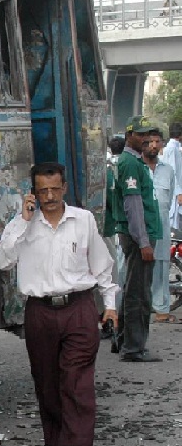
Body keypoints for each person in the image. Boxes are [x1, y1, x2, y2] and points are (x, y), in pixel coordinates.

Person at [0, 162, 118, 446]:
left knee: (75, 378)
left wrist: (111, 305)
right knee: (46, 377)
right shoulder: (22, 224)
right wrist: (22, 221)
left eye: (54, 189)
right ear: (33, 192)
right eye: (42, 190)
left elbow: (102, 265)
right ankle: (55, 436)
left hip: (79, 308)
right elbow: (1, 261)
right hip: (40, 311)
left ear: (64, 188)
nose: (49, 196)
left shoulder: (83, 220)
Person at [109, 115, 163, 361]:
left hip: (137, 235)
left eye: (147, 134)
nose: (144, 139)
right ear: (129, 135)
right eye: (140, 134)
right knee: (139, 294)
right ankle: (134, 348)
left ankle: (123, 342)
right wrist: (143, 241)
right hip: (138, 236)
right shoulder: (130, 163)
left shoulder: (134, 162)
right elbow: (133, 206)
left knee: (133, 288)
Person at [144, 131, 179, 323]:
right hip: (141, 228)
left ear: (162, 144)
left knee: (162, 265)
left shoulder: (167, 170)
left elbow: (170, 195)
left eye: (157, 142)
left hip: (162, 226)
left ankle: (161, 309)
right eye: (149, 141)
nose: (153, 145)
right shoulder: (137, 168)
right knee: (137, 268)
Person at [102, 134, 126, 340]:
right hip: (106, 230)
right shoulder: (106, 170)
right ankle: (109, 320)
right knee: (110, 275)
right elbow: (113, 200)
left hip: (103, 229)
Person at [162, 122, 182, 234]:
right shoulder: (172, 149)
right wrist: (179, 192)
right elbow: (173, 171)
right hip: (174, 191)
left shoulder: (173, 148)